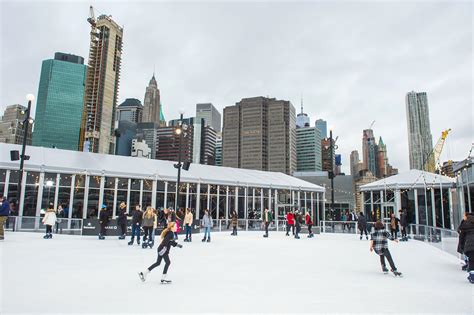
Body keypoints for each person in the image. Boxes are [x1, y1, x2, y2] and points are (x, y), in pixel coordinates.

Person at [459, 212, 474, 283]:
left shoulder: (465, 223)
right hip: (469, 244)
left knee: (471, 261)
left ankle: (472, 276)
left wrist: (462, 246)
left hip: (469, 246)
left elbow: (461, 236)